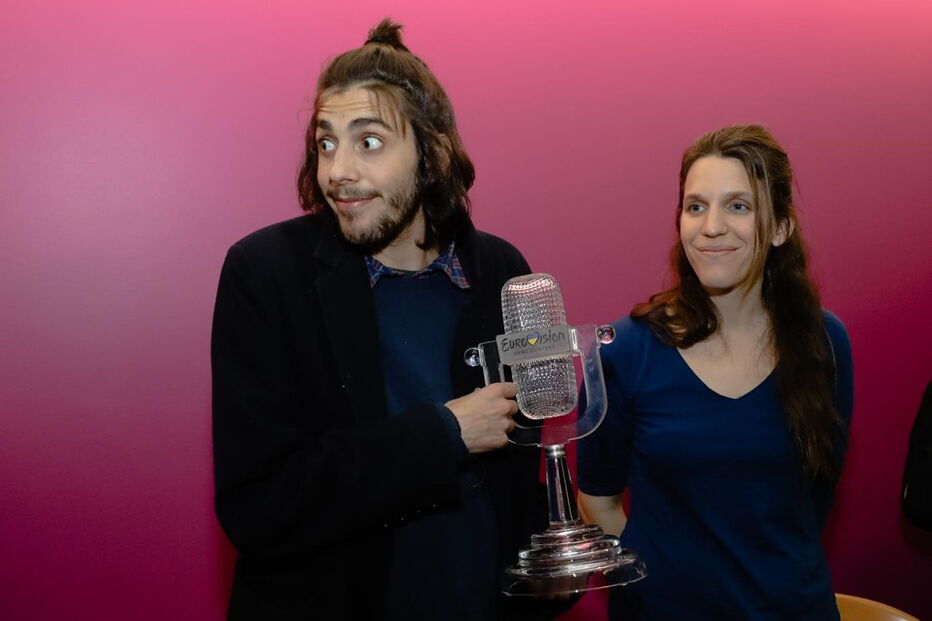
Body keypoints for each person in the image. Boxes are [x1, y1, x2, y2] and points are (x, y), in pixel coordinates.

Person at [211, 19, 547, 620]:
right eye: (325, 142)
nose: (338, 170)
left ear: (433, 153)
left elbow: (523, 461)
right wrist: (442, 435)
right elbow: (260, 507)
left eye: (368, 142)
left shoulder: (501, 268)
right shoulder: (266, 274)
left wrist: (545, 580)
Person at [577, 125, 854, 620]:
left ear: (781, 229)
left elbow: (813, 503)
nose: (711, 227)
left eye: (739, 206)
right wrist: (664, 584)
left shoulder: (824, 343)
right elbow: (597, 504)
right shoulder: (625, 351)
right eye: (696, 206)